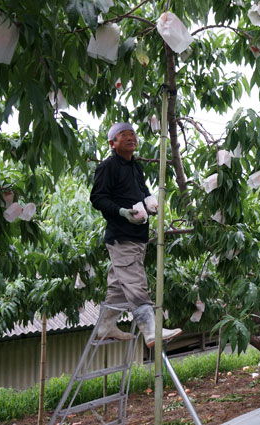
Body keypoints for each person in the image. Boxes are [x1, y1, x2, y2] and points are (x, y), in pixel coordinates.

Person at [90, 122, 182, 348]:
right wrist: (121, 212)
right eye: (124, 134)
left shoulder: (135, 166)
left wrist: (150, 202)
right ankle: (150, 330)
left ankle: (105, 327)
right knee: (135, 282)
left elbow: (142, 191)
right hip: (122, 236)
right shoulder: (108, 166)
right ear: (112, 143)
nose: (131, 137)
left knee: (119, 286)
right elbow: (98, 199)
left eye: (133, 133)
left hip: (137, 234)